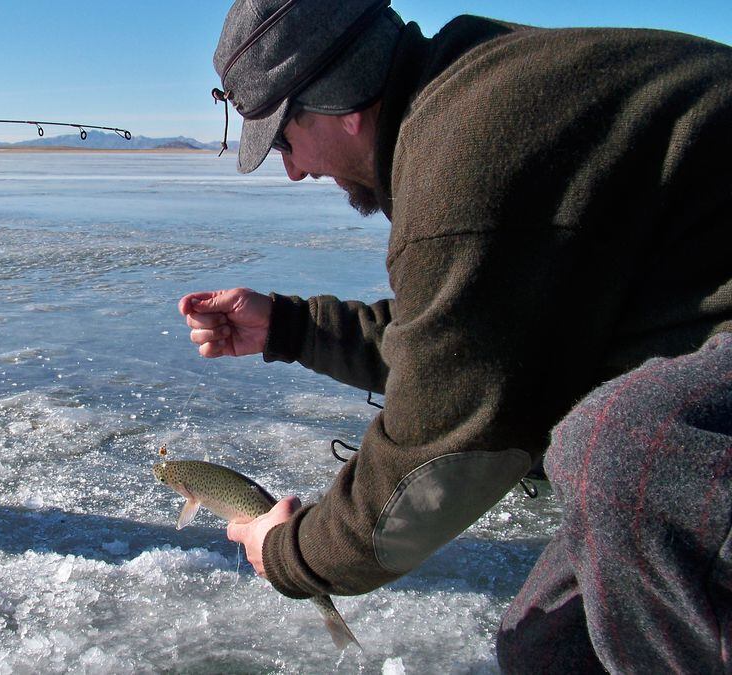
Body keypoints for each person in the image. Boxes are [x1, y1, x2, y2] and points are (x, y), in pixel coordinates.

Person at [181, 0, 732, 670]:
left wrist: (289, 552)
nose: (293, 171)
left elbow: (441, 446)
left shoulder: (465, 160)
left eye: (284, 142)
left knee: (627, 452)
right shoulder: (463, 98)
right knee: (545, 646)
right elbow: (471, 345)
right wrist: (292, 328)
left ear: (340, 103)